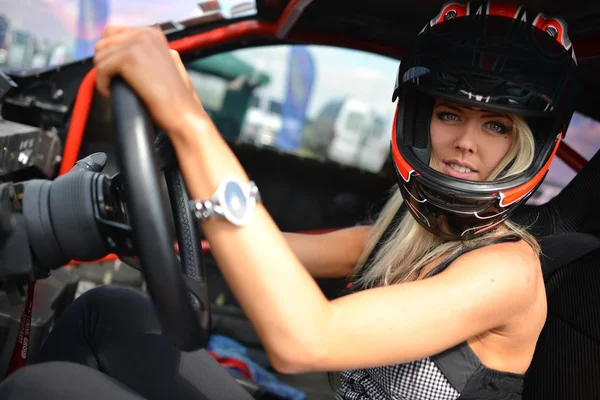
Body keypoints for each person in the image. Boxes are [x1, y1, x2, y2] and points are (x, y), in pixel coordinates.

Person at [0, 1, 579, 399]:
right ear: (421, 121)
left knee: (37, 390)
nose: (466, 142)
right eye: (450, 114)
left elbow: (306, 338)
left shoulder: (507, 272)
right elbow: (263, 255)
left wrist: (191, 123)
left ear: (528, 144)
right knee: (106, 312)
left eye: (497, 125)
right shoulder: (409, 231)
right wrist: (151, 228)